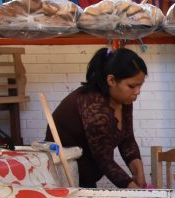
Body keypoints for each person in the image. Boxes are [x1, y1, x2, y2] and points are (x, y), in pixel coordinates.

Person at [48, 48, 148, 188]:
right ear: (111, 80)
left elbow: (127, 140)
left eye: (140, 85)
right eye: (132, 86)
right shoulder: (93, 105)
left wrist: (139, 175)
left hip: (86, 175)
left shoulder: (124, 99)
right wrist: (134, 189)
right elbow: (104, 160)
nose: (137, 92)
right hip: (64, 178)